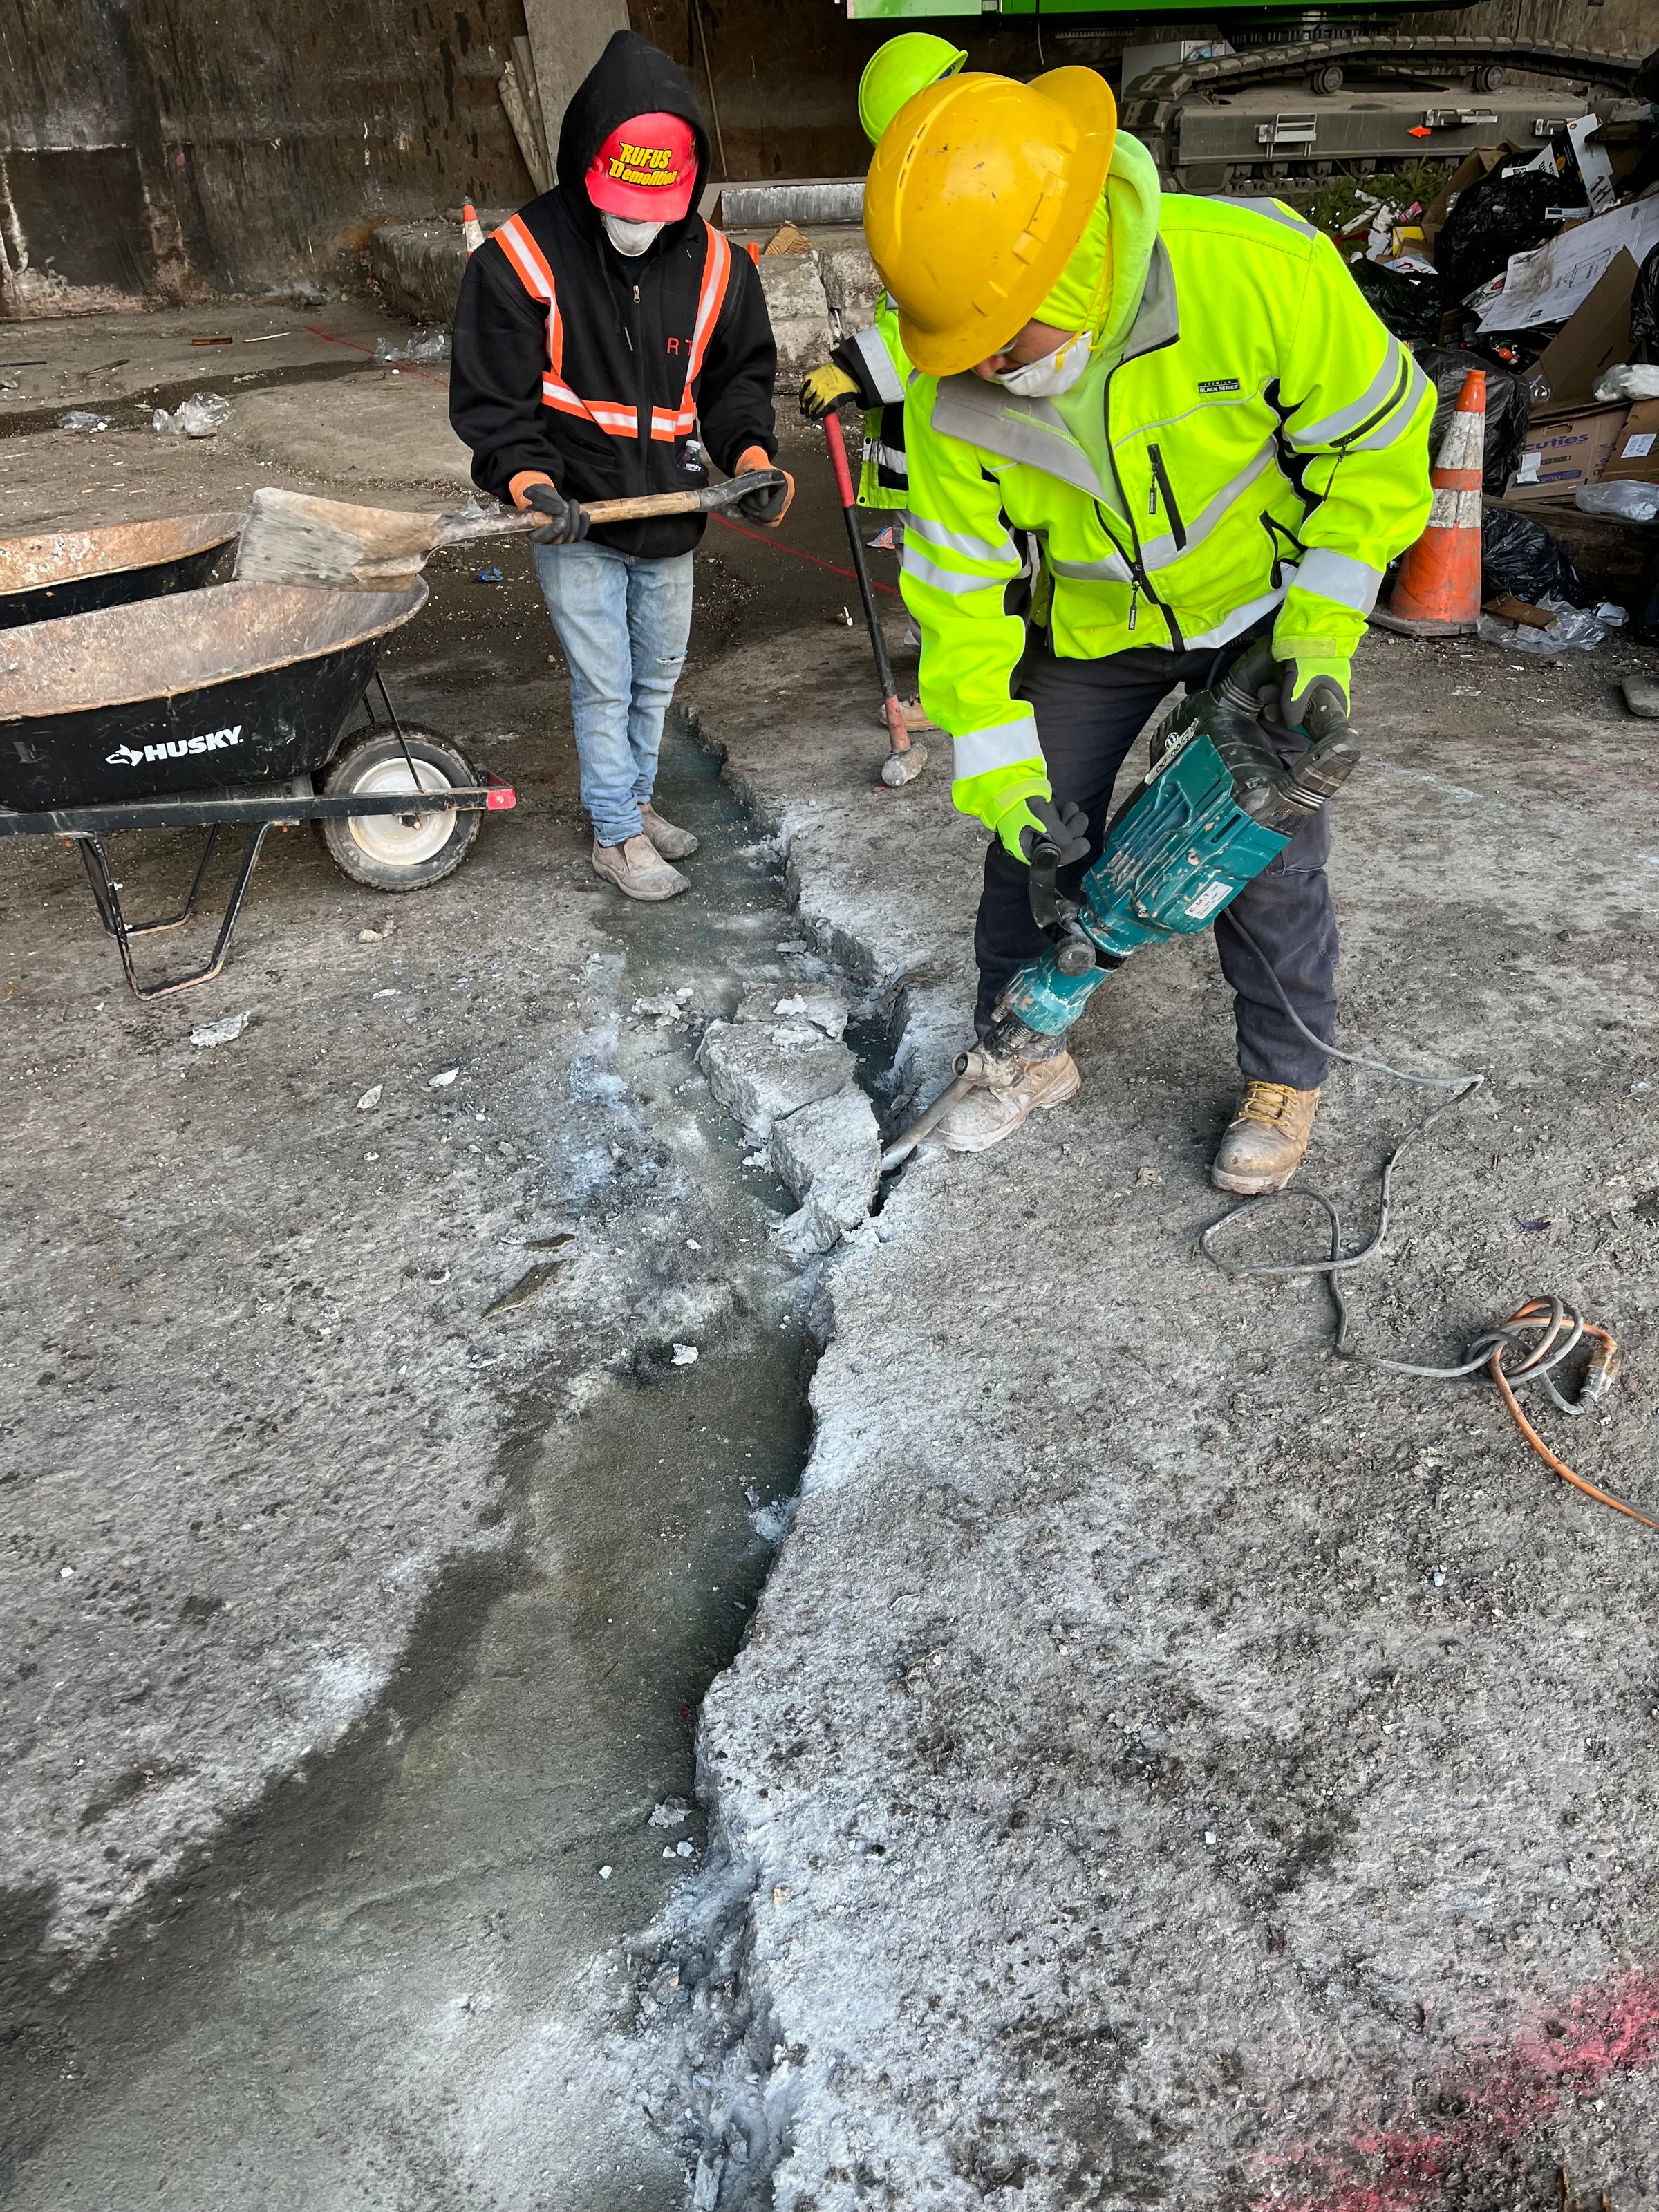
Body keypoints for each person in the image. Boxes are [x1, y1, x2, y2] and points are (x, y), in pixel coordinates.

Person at [863, 67, 1434, 1190]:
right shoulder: (943, 393)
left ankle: (1285, 1076)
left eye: (1001, 342)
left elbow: (1378, 446)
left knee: (1261, 854)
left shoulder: (1257, 273)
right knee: (1028, 851)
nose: (981, 369)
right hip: (1098, 628)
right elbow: (960, 597)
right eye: (959, 347)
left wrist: (1317, 639)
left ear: (1066, 261)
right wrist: (1005, 782)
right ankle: (1020, 1053)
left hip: (1267, 605)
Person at [450, 30, 790, 901]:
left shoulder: (717, 264)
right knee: (604, 686)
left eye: (656, 209)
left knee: (657, 679)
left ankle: (635, 805)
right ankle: (613, 833)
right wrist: (529, 483)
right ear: (585, 166)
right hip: (578, 518)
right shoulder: (520, 261)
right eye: (624, 206)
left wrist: (749, 457)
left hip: (670, 509)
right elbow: (498, 399)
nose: (639, 225)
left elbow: (737, 379)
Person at [797, 32, 968, 736]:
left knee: (950, 569)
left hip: (955, 428)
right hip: (938, 424)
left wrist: (854, 371)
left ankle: (958, 696)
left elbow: (936, 321)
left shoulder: (953, 194)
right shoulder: (953, 177)